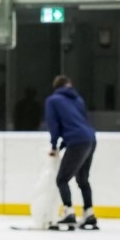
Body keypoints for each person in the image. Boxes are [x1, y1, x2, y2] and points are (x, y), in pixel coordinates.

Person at [45, 75, 97, 229]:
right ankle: (89, 214)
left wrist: (54, 145)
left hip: (77, 140)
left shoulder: (53, 101)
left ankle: (69, 213)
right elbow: (79, 121)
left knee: (62, 179)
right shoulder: (78, 99)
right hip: (91, 138)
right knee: (82, 179)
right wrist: (63, 144)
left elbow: (54, 124)